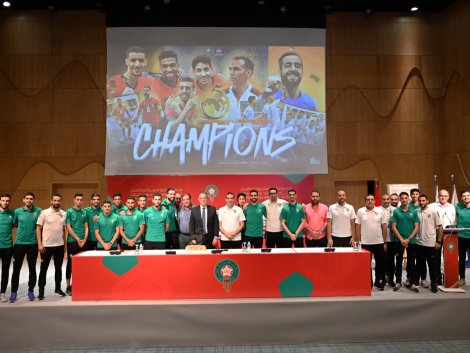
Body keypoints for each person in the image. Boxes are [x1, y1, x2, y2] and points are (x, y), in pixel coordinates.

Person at [10, 192, 42, 302]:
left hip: (33, 244)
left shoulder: (38, 211)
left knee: (32, 269)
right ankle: (14, 292)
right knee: (16, 269)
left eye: (31, 199)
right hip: (19, 244)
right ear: (23, 200)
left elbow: (40, 227)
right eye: (27, 198)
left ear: (33, 200)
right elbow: (15, 224)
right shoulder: (17, 211)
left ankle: (31, 291)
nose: (29, 200)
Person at [36, 194, 67, 300]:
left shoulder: (63, 214)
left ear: (60, 201)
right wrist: (40, 244)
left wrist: (65, 245)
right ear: (51, 201)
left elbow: (63, 230)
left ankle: (57, 289)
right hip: (46, 246)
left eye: (58, 200)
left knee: (58, 269)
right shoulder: (44, 213)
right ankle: (41, 291)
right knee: (43, 269)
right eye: (55, 200)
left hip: (59, 245)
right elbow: (38, 228)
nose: (56, 202)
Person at [355, 194, 387, 290]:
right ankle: (368, 282)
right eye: (368, 199)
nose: (370, 201)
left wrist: (385, 242)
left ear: (374, 201)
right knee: (366, 265)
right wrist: (359, 240)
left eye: (372, 199)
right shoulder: (360, 211)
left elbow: (384, 227)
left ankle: (379, 281)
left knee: (380, 264)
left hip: (378, 242)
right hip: (365, 243)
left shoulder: (381, 211)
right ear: (365, 201)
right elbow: (358, 227)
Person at [390, 192, 420, 292]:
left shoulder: (414, 211)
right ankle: (398, 281)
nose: (404, 200)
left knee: (411, 262)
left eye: (405, 198)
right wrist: (402, 239)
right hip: (399, 241)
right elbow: (393, 227)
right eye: (402, 198)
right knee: (398, 262)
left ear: (408, 199)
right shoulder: (396, 211)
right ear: (399, 199)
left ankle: (411, 282)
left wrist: (408, 239)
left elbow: (417, 227)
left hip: (411, 241)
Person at [416, 194, 443, 293]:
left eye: (423, 200)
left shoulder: (433, 211)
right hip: (419, 243)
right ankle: (420, 282)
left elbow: (440, 227)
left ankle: (433, 284)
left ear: (427, 201)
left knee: (433, 266)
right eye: (420, 201)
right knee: (420, 264)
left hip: (431, 243)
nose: (422, 202)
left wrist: (439, 241)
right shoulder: (416, 212)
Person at [430, 189, 456, 285]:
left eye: (445, 196)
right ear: (438, 196)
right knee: (436, 258)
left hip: (450, 235)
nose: (443, 197)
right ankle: (438, 278)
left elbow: (455, 221)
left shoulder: (452, 207)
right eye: (441, 195)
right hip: (437, 235)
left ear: (448, 197)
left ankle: (448, 277)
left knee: (449, 257)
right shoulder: (433, 206)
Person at [225, 55, 262, 122]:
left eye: (236, 69)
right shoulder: (220, 95)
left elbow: (259, 125)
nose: (231, 73)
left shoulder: (259, 96)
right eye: (230, 69)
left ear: (248, 73)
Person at [65, 192, 89, 296]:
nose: (79, 201)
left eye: (81, 199)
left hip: (83, 242)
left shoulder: (84, 212)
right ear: (74, 200)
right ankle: (68, 286)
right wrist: (78, 239)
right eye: (77, 199)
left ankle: (79, 284)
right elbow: (68, 227)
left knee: (81, 265)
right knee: (70, 264)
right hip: (72, 242)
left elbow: (86, 226)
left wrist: (84, 239)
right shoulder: (69, 212)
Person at [0, 193, 14, 302]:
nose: (5, 202)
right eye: (3, 200)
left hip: (8, 247)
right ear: (0, 201)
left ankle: (2, 292)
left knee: (5, 271)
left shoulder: (12, 213)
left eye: (7, 201)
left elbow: (17, 225)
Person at [381, 193, 397, 287]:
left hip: (393, 239)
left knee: (391, 261)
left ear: (390, 200)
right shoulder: (377, 210)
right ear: (381, 200)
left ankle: (391, 279)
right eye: (384, 199)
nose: (386, 201)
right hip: (382, 240)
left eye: (388, 199)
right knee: (382, 261)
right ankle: (383, 279)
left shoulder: (395, 210)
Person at [455, 190, 470, 286]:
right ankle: (462, 278)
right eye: (464, 196)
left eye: (468, 195)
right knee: (461, 258)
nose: (466, 197)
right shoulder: (457, 207)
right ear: (461, 198)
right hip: (461, 237)